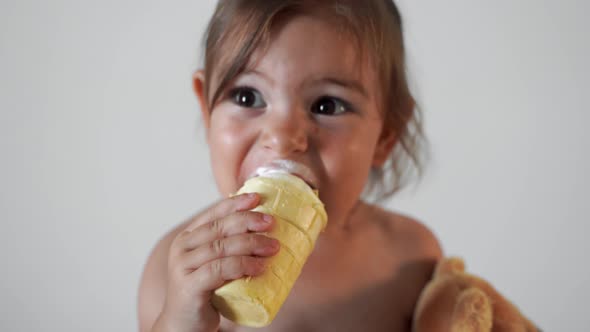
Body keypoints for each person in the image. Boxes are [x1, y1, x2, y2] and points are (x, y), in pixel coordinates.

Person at [139, 1, 446, 331]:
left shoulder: (411, 259)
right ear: (206, 108)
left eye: (327, 105)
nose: (283, 138)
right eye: (247, 97)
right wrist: (179, 321)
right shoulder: (179, 275)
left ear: (386, 134)